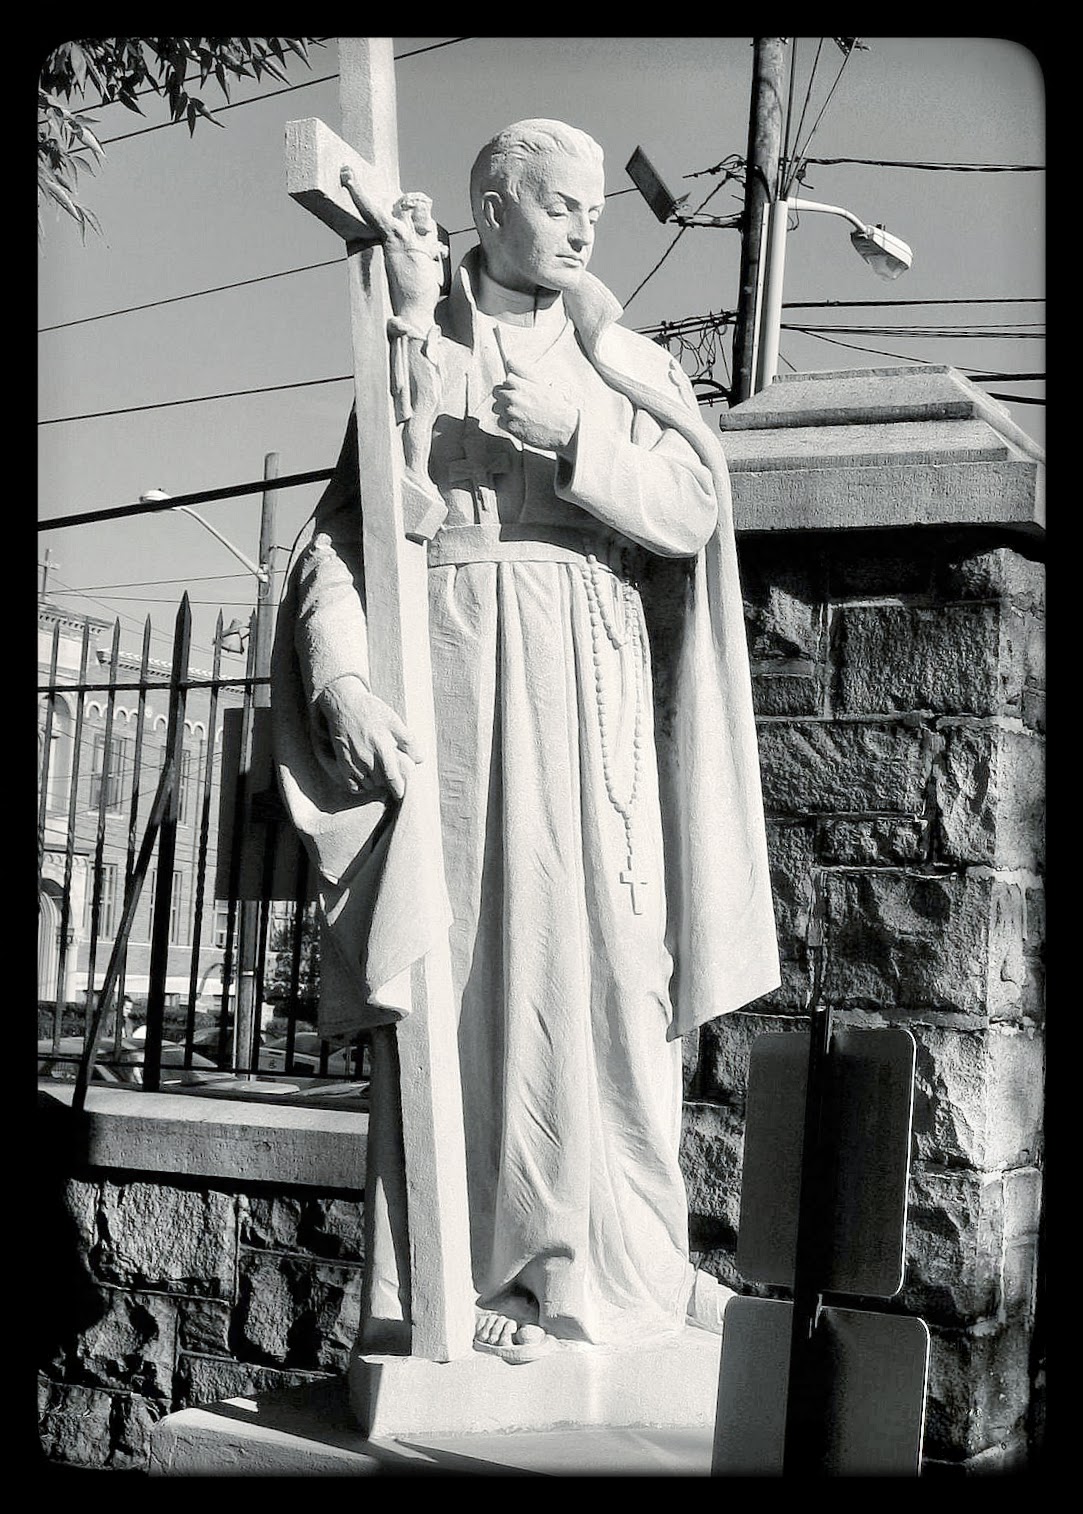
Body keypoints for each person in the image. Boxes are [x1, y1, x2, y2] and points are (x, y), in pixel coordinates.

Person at [273, 120, 779, 1361]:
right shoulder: (413, 344)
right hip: (456, 690)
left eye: (595, 209)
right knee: (476, 968)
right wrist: (339, 676)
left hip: (590, 686)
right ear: (491, 210)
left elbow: (696, 502)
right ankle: (482, 1276)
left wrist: (574, 430)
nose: (584, 226)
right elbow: (344, 537)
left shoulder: (616, 356)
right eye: (559, 205)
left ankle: (637, 1264)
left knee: (616, 967)